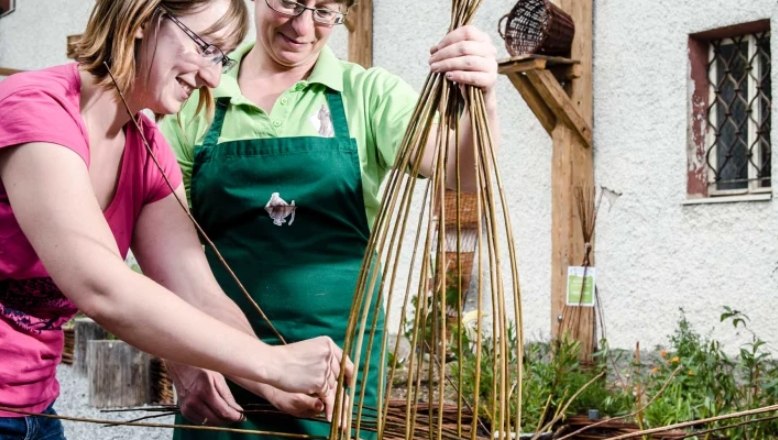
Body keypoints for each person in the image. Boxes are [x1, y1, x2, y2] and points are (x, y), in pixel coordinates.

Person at [0, 1, 354, 439]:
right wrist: (272, 363)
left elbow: (199, 294)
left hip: (34, 405)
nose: (211, 76)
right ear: (141, 20)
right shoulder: (35, 108)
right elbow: (100, 286)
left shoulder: (148, 148)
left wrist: (272, 385)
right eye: (206, 48)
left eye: (221, 58)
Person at [160, 0, 500, 438]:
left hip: (338, 375)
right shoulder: (198, 94)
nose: (303, 26)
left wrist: (483, 97)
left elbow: (462, 170)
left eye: (324, 10)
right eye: (289, 3)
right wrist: (182, 361)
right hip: (220, 364)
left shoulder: (368, 95)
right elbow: (161, 249)